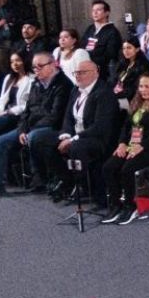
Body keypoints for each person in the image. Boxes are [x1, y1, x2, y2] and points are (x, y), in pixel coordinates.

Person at [0, 52, 74, 202]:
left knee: (34, 137)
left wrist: (29, 129)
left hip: (53, 127)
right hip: (31, 126)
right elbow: (27, 110)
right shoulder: (37, 83)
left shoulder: (63, 84)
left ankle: (42, 179)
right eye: (34, 67)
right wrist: (22, 129)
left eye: (40, 66)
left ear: (52, 65)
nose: (36, 70)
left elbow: (55, 116)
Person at [100, 72, 149, 225]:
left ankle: (131, 206)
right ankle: (115, 205)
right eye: (141, 86)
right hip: (133, 144)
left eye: (147, 86)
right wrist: (122, 143)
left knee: (127, 169)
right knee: (108, 167)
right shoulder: (137, 102)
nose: (143, 90)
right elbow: (126, 127)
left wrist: (141, 147)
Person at [47, 60, 119, 203]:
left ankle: (82, 186)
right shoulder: (76, 90)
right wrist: (66, 134)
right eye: (76, 73)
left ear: (95, 73)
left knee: (76, 147)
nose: (78, 76)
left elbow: (100, 126)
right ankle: (66, 180)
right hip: (77, 134)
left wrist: (73, 139)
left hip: (98, 138)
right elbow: (68, 116)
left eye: (82, 73)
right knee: (47, 142)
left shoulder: (104, 93)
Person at [80, 0, 123, 79]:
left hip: (102, 71)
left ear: (107, 13)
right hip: (85, 66)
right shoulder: (90, 28)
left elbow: (111, 54)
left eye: (98, 10)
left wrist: (91, 60)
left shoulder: (112, 32)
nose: (95, 13)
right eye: (93, 10)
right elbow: (82, 45)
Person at [112, 38, 148, 111]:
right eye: (124, 48)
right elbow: (113, 79)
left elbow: (135, 89)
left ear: (137, 49)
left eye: (129, 48)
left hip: (130, 99)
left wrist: (117, 95)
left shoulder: (143, 66)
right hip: (117, 94)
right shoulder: (123, 62)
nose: (125, 51)